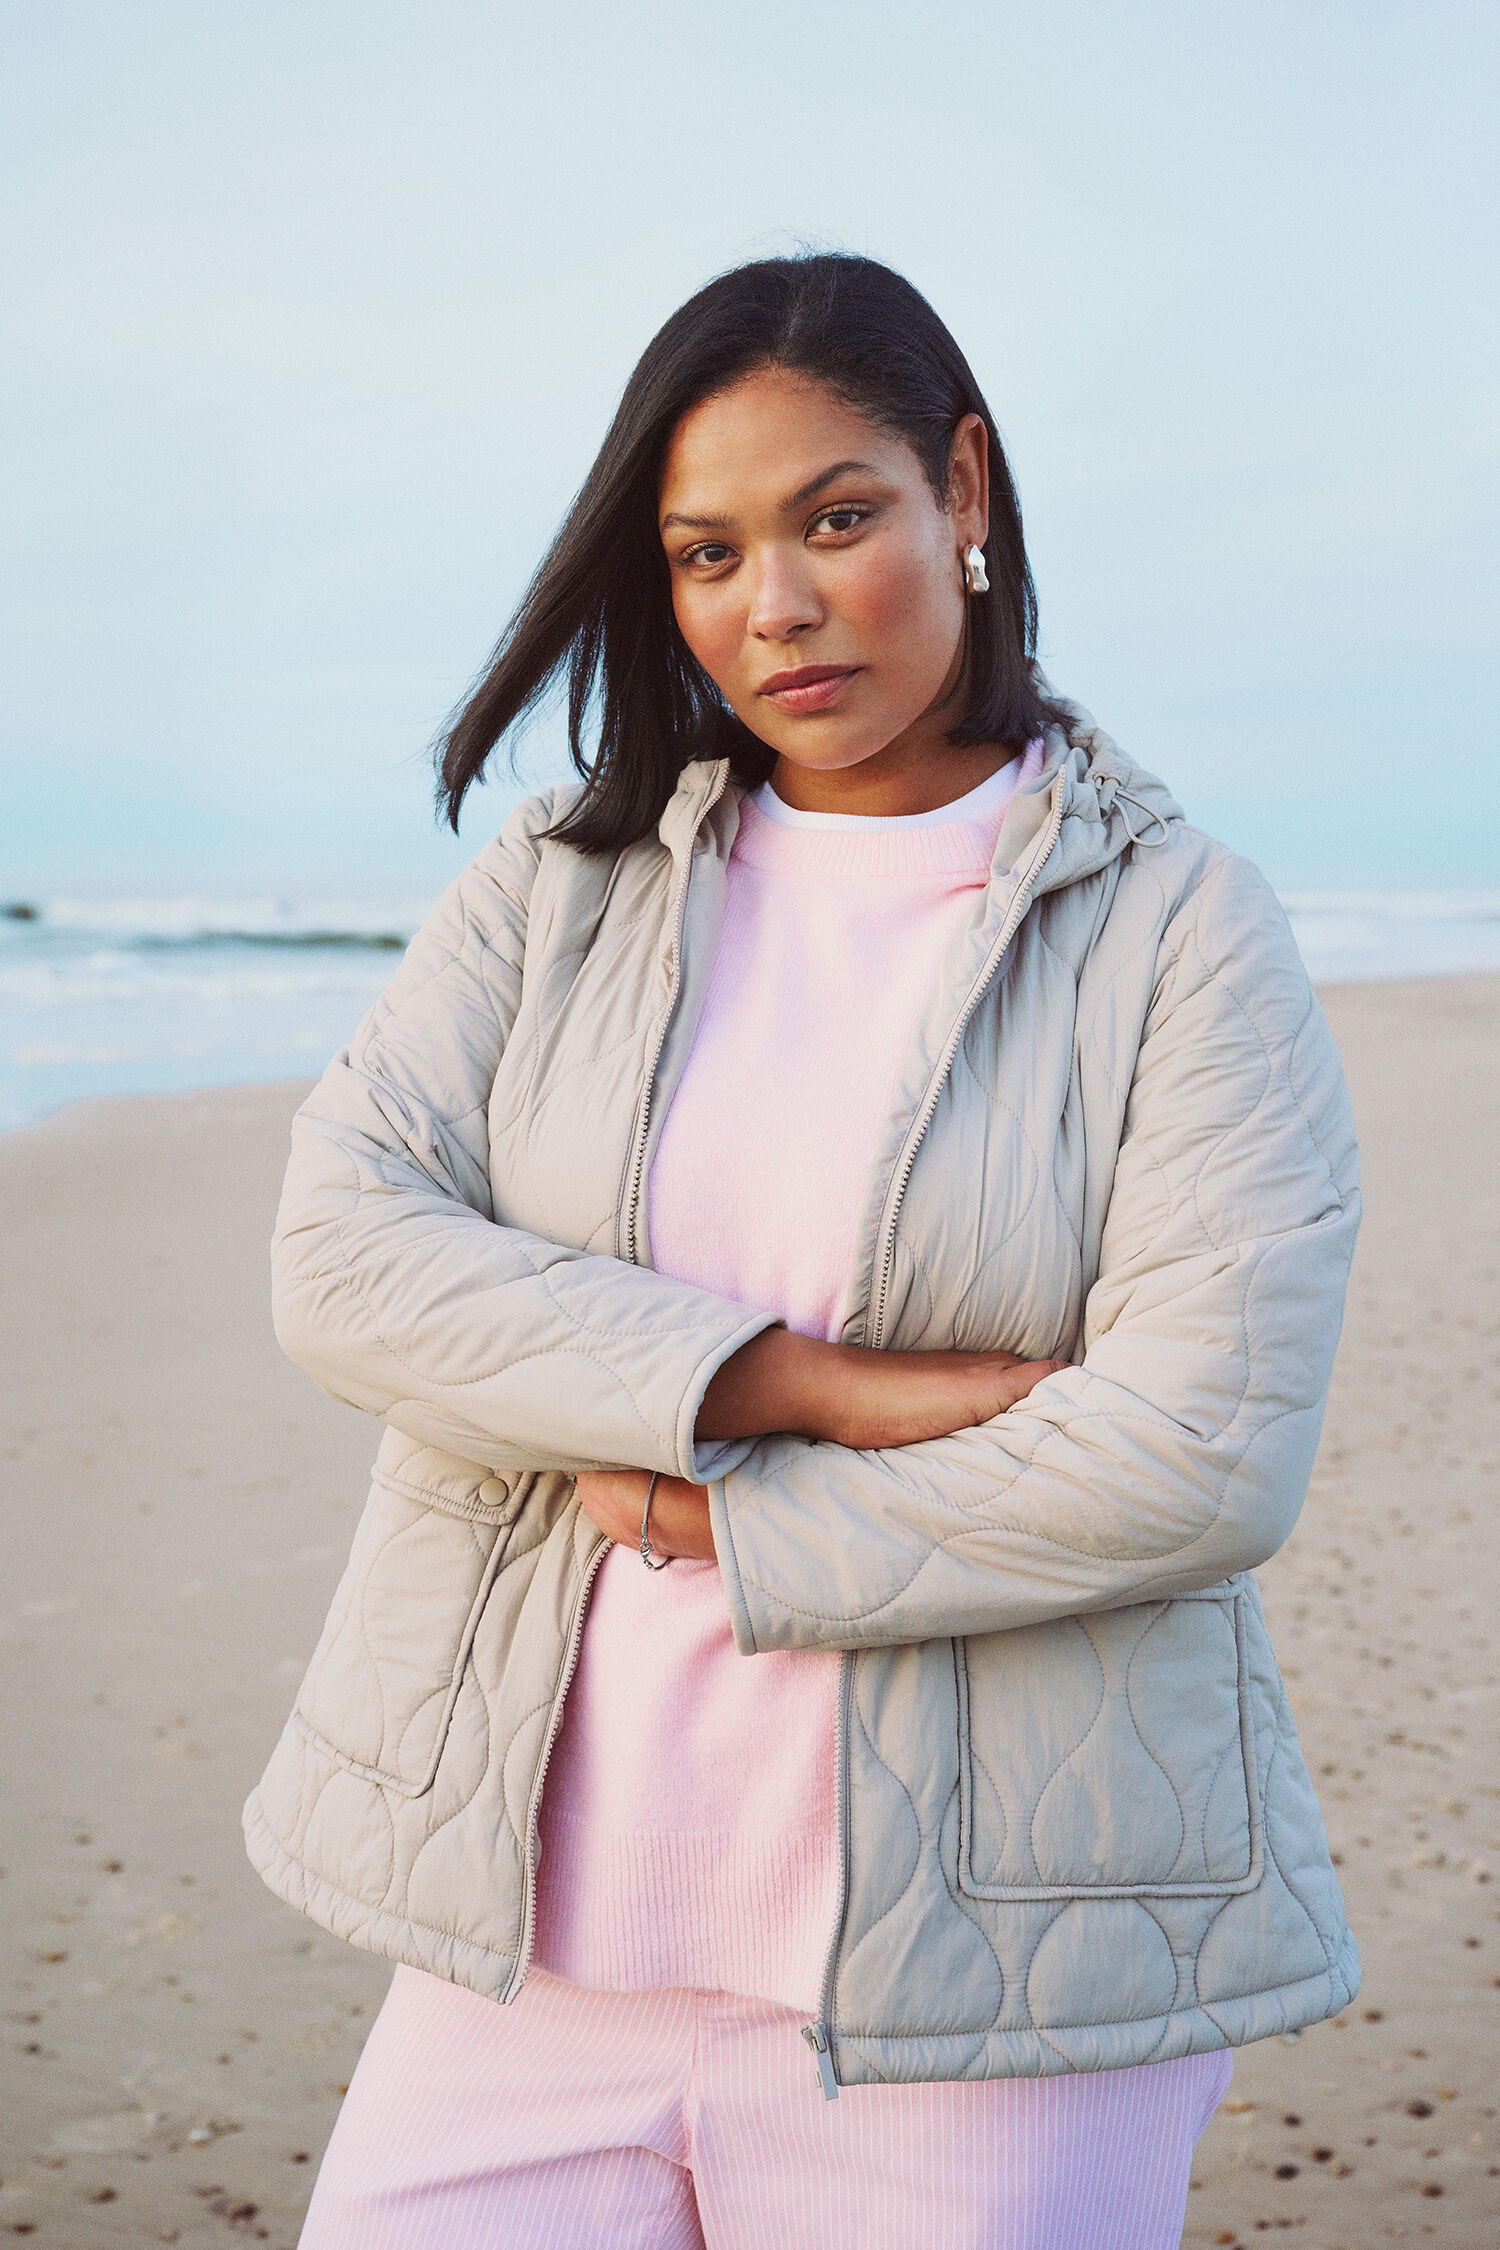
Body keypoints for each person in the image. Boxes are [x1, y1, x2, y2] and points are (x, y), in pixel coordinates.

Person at [244, 253, 1361, 2250]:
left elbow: (1201, 1452)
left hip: (994, 1980)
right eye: (703, 551)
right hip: (537, 1944)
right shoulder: (554, 892)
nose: (775, 606)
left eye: (838, 517)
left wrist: (711, 1523)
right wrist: (801, 1387)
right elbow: (341, 1253)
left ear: (967, 490)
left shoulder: (1187, 928)